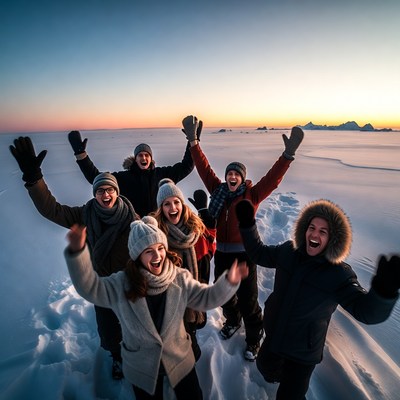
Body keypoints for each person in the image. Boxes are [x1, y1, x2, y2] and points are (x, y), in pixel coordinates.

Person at [64, 216, 249, 399]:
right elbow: (91, 288)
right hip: (142, 366)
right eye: (149, 251)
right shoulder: (121, 284)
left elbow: (205, 298)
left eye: (160, 248)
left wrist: (228, 283)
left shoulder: (179, 277)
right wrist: (77, 253)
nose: (157, 255)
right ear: (137, 256)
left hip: (180, 359)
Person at [235, 198, 400, 399]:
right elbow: (259, 254)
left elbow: (365, 311)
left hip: (302, 353)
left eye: (323, 231)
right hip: (275, 334)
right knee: (264, 368)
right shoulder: (288, 251)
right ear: (303, 229)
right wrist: (247, 225)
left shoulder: (339, 274)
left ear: (333, 239)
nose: (314, 234)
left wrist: (383, 292)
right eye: (311, 227)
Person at [9, 136, 139, 380]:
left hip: (129, 285)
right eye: (100, 190)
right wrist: (34, 179)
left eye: (110, 189)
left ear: (117, 192)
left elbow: (153, 242)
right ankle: (118, 358)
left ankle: (134, 355)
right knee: (110, 332)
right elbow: (52, 209)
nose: (105, 194)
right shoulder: (84, 214)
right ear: (95, 194)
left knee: (133, 327)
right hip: (101, 285)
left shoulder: (133, 218)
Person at [181, 115, 304, 361]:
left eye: (236, 174)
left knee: (248, 298)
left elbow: (273, 178)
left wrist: (287, 156)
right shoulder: (217, 191)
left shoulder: (253, 194)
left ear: (242, 177)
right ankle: (232, 320)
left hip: (246, 254)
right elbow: (204, 168)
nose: (232, 177)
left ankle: (253, 337)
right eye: (229, 174)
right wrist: (193, 142)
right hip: (223, 253)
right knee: (224, 292)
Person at [152, 178, 217, 361]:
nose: (173, 208)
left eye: (176, 202)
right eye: (167, 204)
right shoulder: (157, 237)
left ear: (182, 204)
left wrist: (210, 226)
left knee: (191, 337)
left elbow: (209, 251)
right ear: (161, 208)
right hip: (169, 302)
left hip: (194, 297)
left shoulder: (196, 229)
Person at [68, 129, 195, 217]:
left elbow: (186, 167)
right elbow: (96, 178)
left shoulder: (162, 174)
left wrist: (192, 142)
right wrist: (81, 155)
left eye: (147, 155)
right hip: (133, 228)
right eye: (140, 155)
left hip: (159, 227)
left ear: (151, 159)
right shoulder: (124, 178)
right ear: (135, 158)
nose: (144, 158)